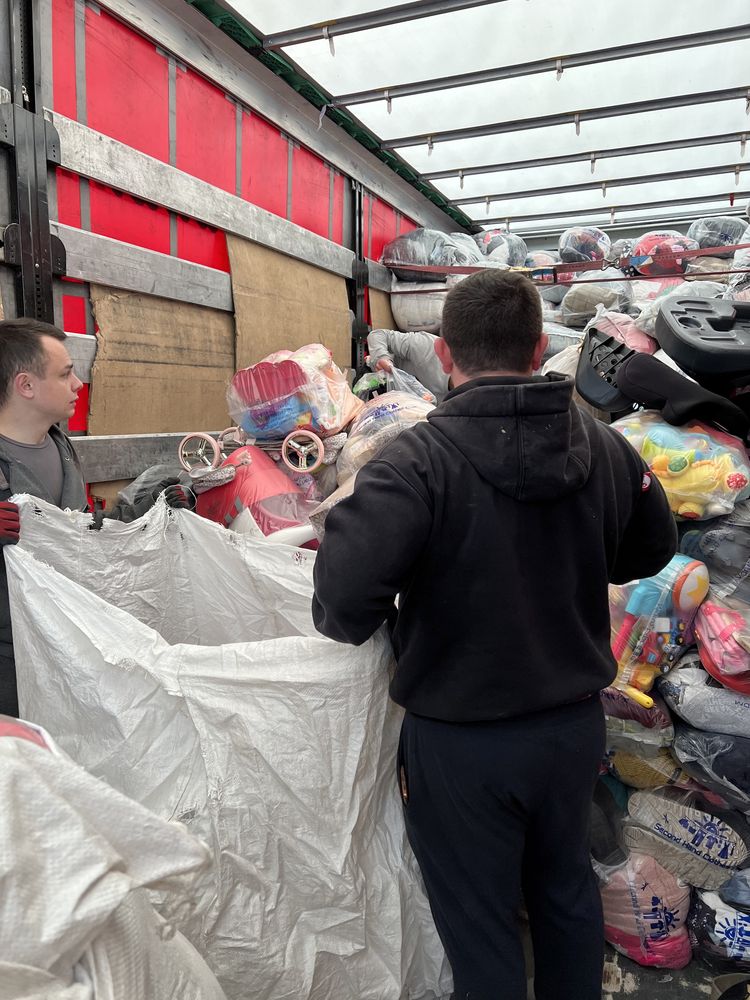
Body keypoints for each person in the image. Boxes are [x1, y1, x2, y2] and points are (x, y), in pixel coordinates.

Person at [312, 269, 677, 1000]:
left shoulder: (413, 464)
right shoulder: (606, 449)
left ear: (444, 354)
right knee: (566, 895)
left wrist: (398, 605)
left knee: (480, 926)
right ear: (540, 346)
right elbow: (653, 546)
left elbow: (342, 604)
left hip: (461, 743)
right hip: (571, 729)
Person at [0, 318, 188, 717]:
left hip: (71, 640)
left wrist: (152, 508)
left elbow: (81, 534)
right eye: (66, 373)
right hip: (11, 664)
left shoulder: (60, 446)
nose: (78, 385)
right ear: (26, 385)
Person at [366, 328, 449, 401]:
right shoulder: (429, 348)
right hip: (373, 382)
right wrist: (382, 358)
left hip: (400, 411)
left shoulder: (458, 406)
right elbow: (378, 335)